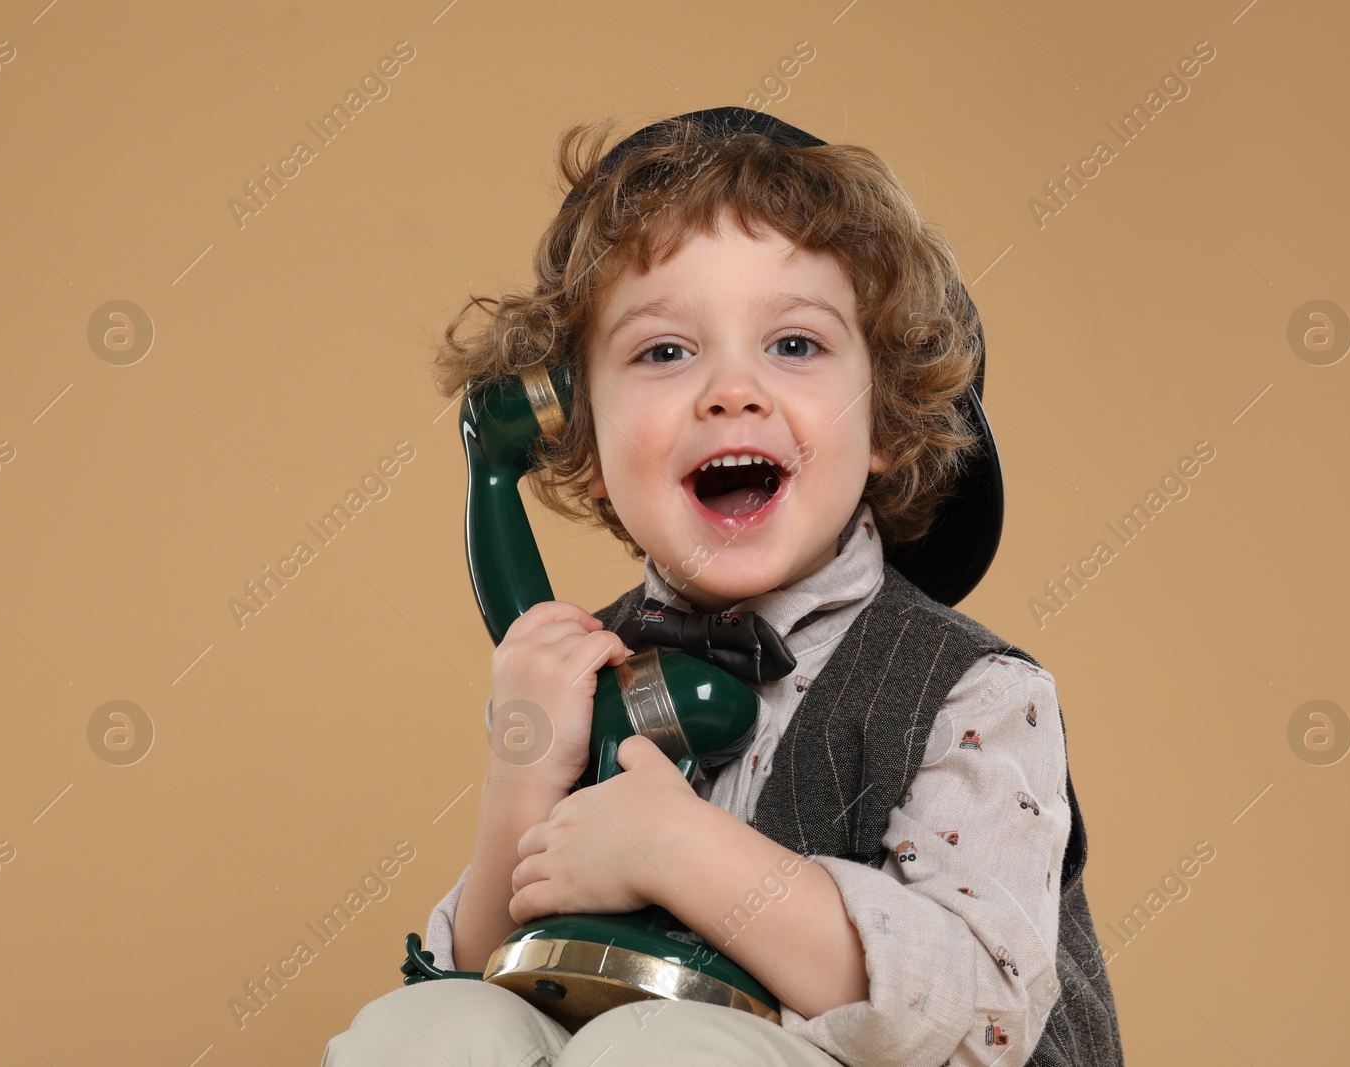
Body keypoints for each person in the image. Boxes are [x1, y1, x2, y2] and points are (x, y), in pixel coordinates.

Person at [321, 107, 1123, 1066]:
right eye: (665, 351)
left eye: (794, 345)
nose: (728, 390)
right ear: (577, 435)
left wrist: (682, 852)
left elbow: (975, 1012)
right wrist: (522, 770)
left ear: (888, 423)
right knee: (427, 1032)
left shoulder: (974, 694)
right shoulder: (592, 666)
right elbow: (497, 964)